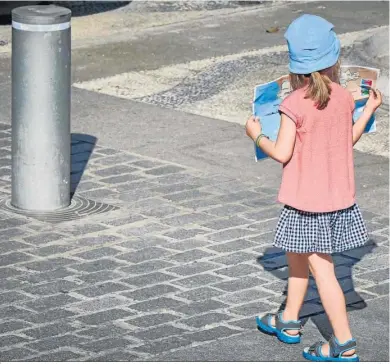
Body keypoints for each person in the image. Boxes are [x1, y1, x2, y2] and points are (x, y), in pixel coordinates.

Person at [245, 14, 382, 362]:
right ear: (334, 60)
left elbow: (282, 152)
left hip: (307, 203)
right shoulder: (341, 97)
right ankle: (290, 320)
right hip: (337, 200)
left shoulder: (293, 104)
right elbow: (347, 140)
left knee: (324, 271)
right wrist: (368, 112)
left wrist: (256, 134)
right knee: (296, 255)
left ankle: (343, 343)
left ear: (296, 67)